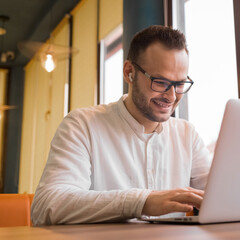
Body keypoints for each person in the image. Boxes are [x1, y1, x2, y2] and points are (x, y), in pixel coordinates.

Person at [31, 25, 212, 225]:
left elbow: (221, 196)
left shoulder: (187, 134)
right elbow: (47, 206)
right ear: (129, 72)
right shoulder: (82, 126)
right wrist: (142, 201)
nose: (171, 96)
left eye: (179, 84)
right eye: (160, 82)